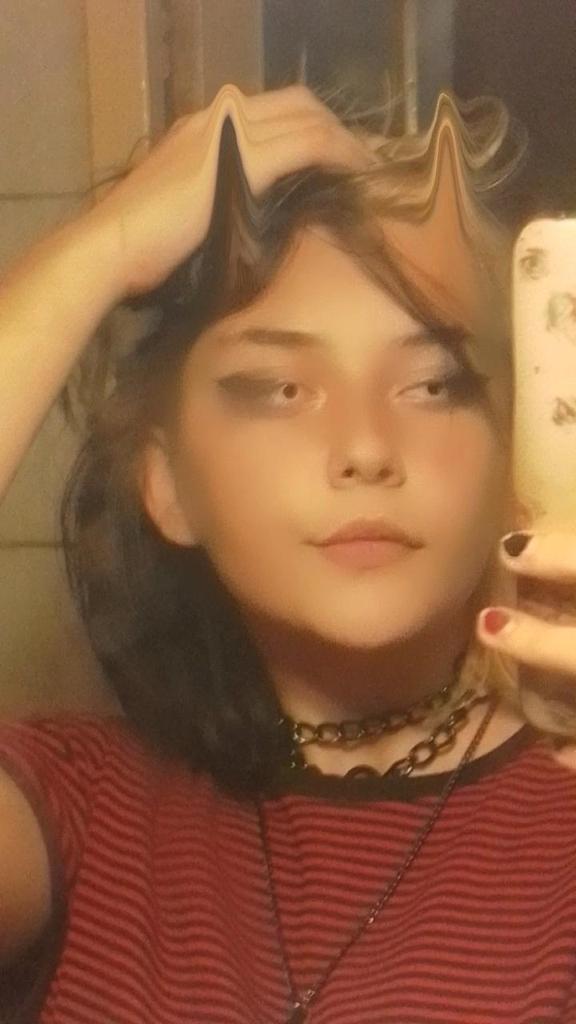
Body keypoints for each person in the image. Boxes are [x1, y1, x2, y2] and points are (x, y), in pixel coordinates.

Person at [1, 83, 576, 1024]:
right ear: (166, 483)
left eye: (435, 384)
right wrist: (98, 250)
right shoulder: (80, 810)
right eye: (279, 388)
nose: (366, 447)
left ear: (509, 451)